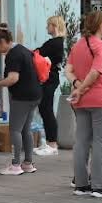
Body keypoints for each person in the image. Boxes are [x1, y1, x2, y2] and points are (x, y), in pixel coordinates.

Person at [67, 9, 102, 198]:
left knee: (81, 142)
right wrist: (82, 88)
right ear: (100, 25)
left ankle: (80, 184)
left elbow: (68, 70)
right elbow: (96, 72)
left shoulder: (77, 45)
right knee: (101, 142)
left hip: (81, 101)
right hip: (100, 98)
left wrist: (77, 86)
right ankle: (99, 186)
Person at [0, 28, 42, 176]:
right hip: (35, 94)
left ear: (3, 41)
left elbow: (13, 78)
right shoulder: (23, 49)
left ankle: (16, 164)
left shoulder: (13, 55)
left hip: (22, 97)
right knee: (26, 129)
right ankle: (28, 163)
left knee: (15, 130)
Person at [34, 15, 67, 156]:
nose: (47, 27)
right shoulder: (57, 42)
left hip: (49, 79)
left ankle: (52, 143)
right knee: (44, 108)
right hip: (49, 79)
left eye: (48, 25)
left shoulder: (55, 42)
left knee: (46, 109)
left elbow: (38, 53)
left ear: (54, 26)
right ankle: (49, 141)